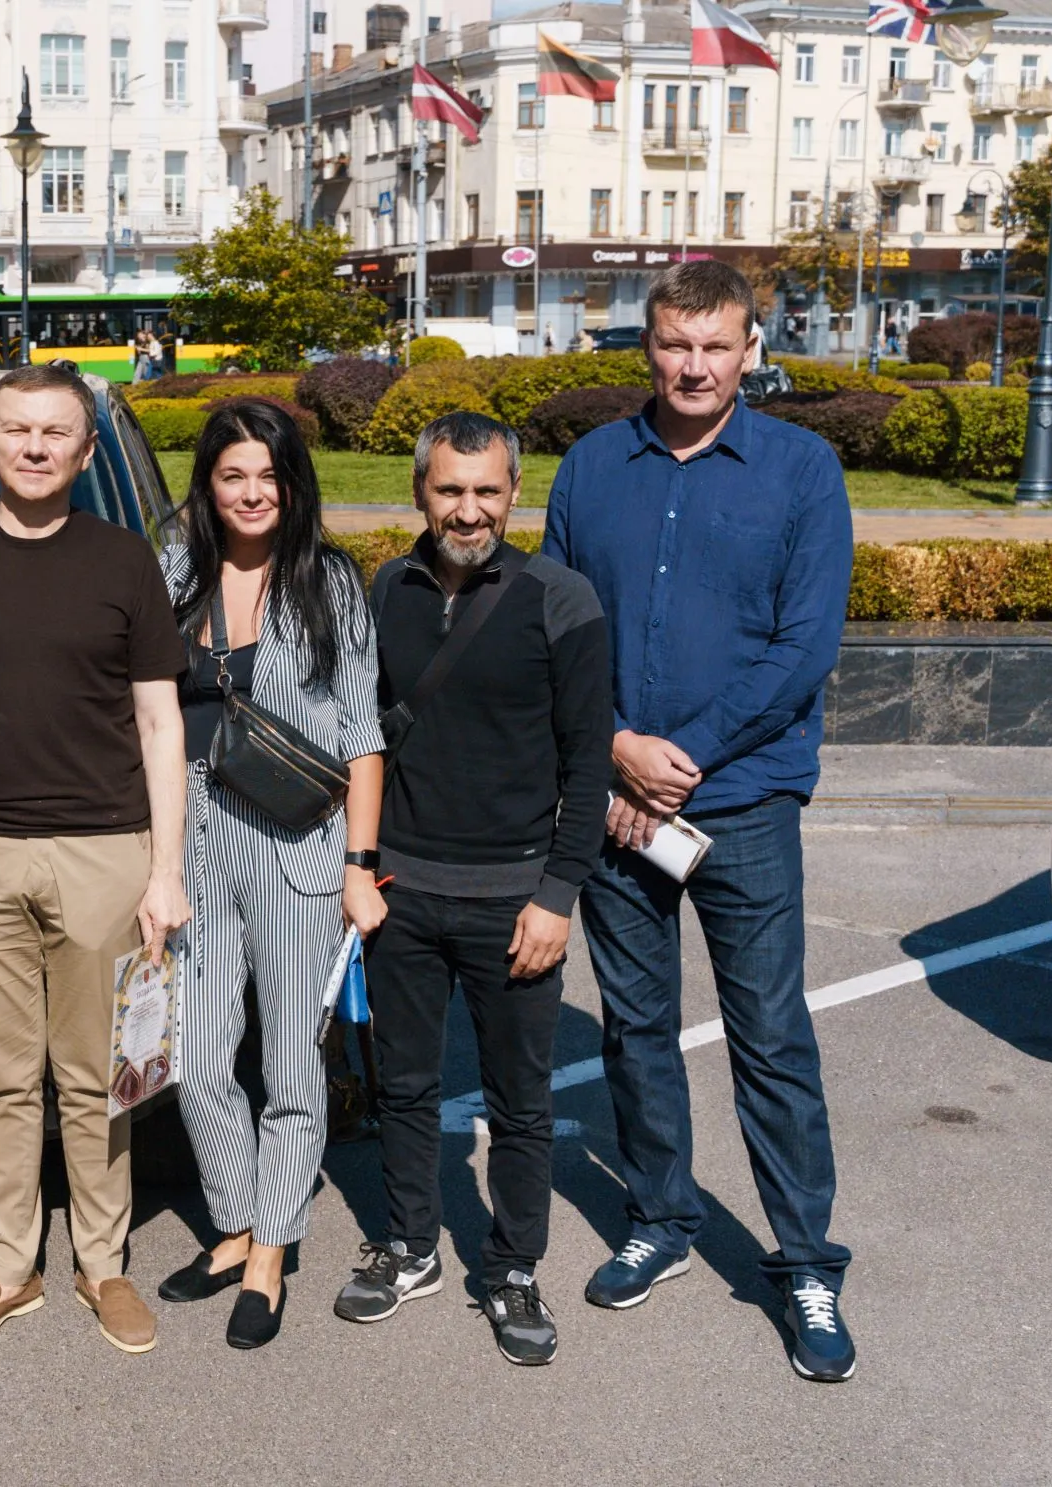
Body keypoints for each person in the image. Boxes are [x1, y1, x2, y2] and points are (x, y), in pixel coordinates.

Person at [540, 260, 858, 1382]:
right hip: (615, 802)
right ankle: (661, 1217)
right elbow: (558, 621)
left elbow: (802, 646)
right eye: (676, 344)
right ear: (648, 346)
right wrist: (618, 746)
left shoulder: (801, 470)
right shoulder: (592, 466)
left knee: (770, 1038)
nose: (693, 365)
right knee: (633, 1027)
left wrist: (685, 758)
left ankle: (804, 1259)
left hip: (747, 801)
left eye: (715, 346)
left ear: (749, 349)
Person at [0, 364, 190, 1356]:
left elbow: (158, 721)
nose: (35, 446)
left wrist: (165, 869)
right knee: (3, 1077)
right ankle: (8, 1268)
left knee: (101, 1073)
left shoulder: (125, 562)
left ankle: (103, 1265)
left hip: (105, 848)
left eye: (56, 431)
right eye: (17, 428)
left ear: (86, 450)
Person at [336, 411, 611, 1368]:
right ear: (421, 493)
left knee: (520, 1102)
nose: (468, 510)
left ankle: (513, 1267)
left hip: (514, 903)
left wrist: (557, 894)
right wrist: (361, 868)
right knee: (405, 1088)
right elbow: (361, 742)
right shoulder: (383, 591)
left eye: (486, 490)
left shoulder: (560, 599)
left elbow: (588, 768)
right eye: (450, 490)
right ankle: (412, 1245)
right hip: (403, 892)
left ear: (513, 492)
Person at [153, 400, 385, 1351]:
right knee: (200, 1058)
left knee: (293, 1066)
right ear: (208, 485)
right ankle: (237, 1216)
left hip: (302, 845)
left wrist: (361, 868)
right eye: (232, 475)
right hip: (197, 834)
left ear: (293, 483)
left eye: (269, 475)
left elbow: (363, 733)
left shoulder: (327, 581)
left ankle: (267, 1249)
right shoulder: (174, 569)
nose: (253, 493)